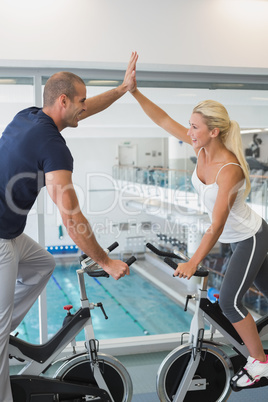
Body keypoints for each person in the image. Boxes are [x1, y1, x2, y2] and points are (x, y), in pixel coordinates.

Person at [0, 51, 138, 402]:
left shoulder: (29, 117)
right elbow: (72, 218)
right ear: (63, 100)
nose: (84, 108)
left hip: (10, 231)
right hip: (0, 238)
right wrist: (105, 261)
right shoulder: (54, 146)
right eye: (80, 101)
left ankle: (5, 333)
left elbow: (88, 108)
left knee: (43, 264)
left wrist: (123, 89)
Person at [129, 75, 268, 387]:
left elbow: (217, 224)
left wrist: (193, 261)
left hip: (250, 237)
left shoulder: (228, 170)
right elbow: (162, 119)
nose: (189, 132)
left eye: (194, 127)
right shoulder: (201, 148)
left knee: (229, 303)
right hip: (238, 239)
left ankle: (260, 363)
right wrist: (135, 92)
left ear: (213, 131)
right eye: (189, 125)